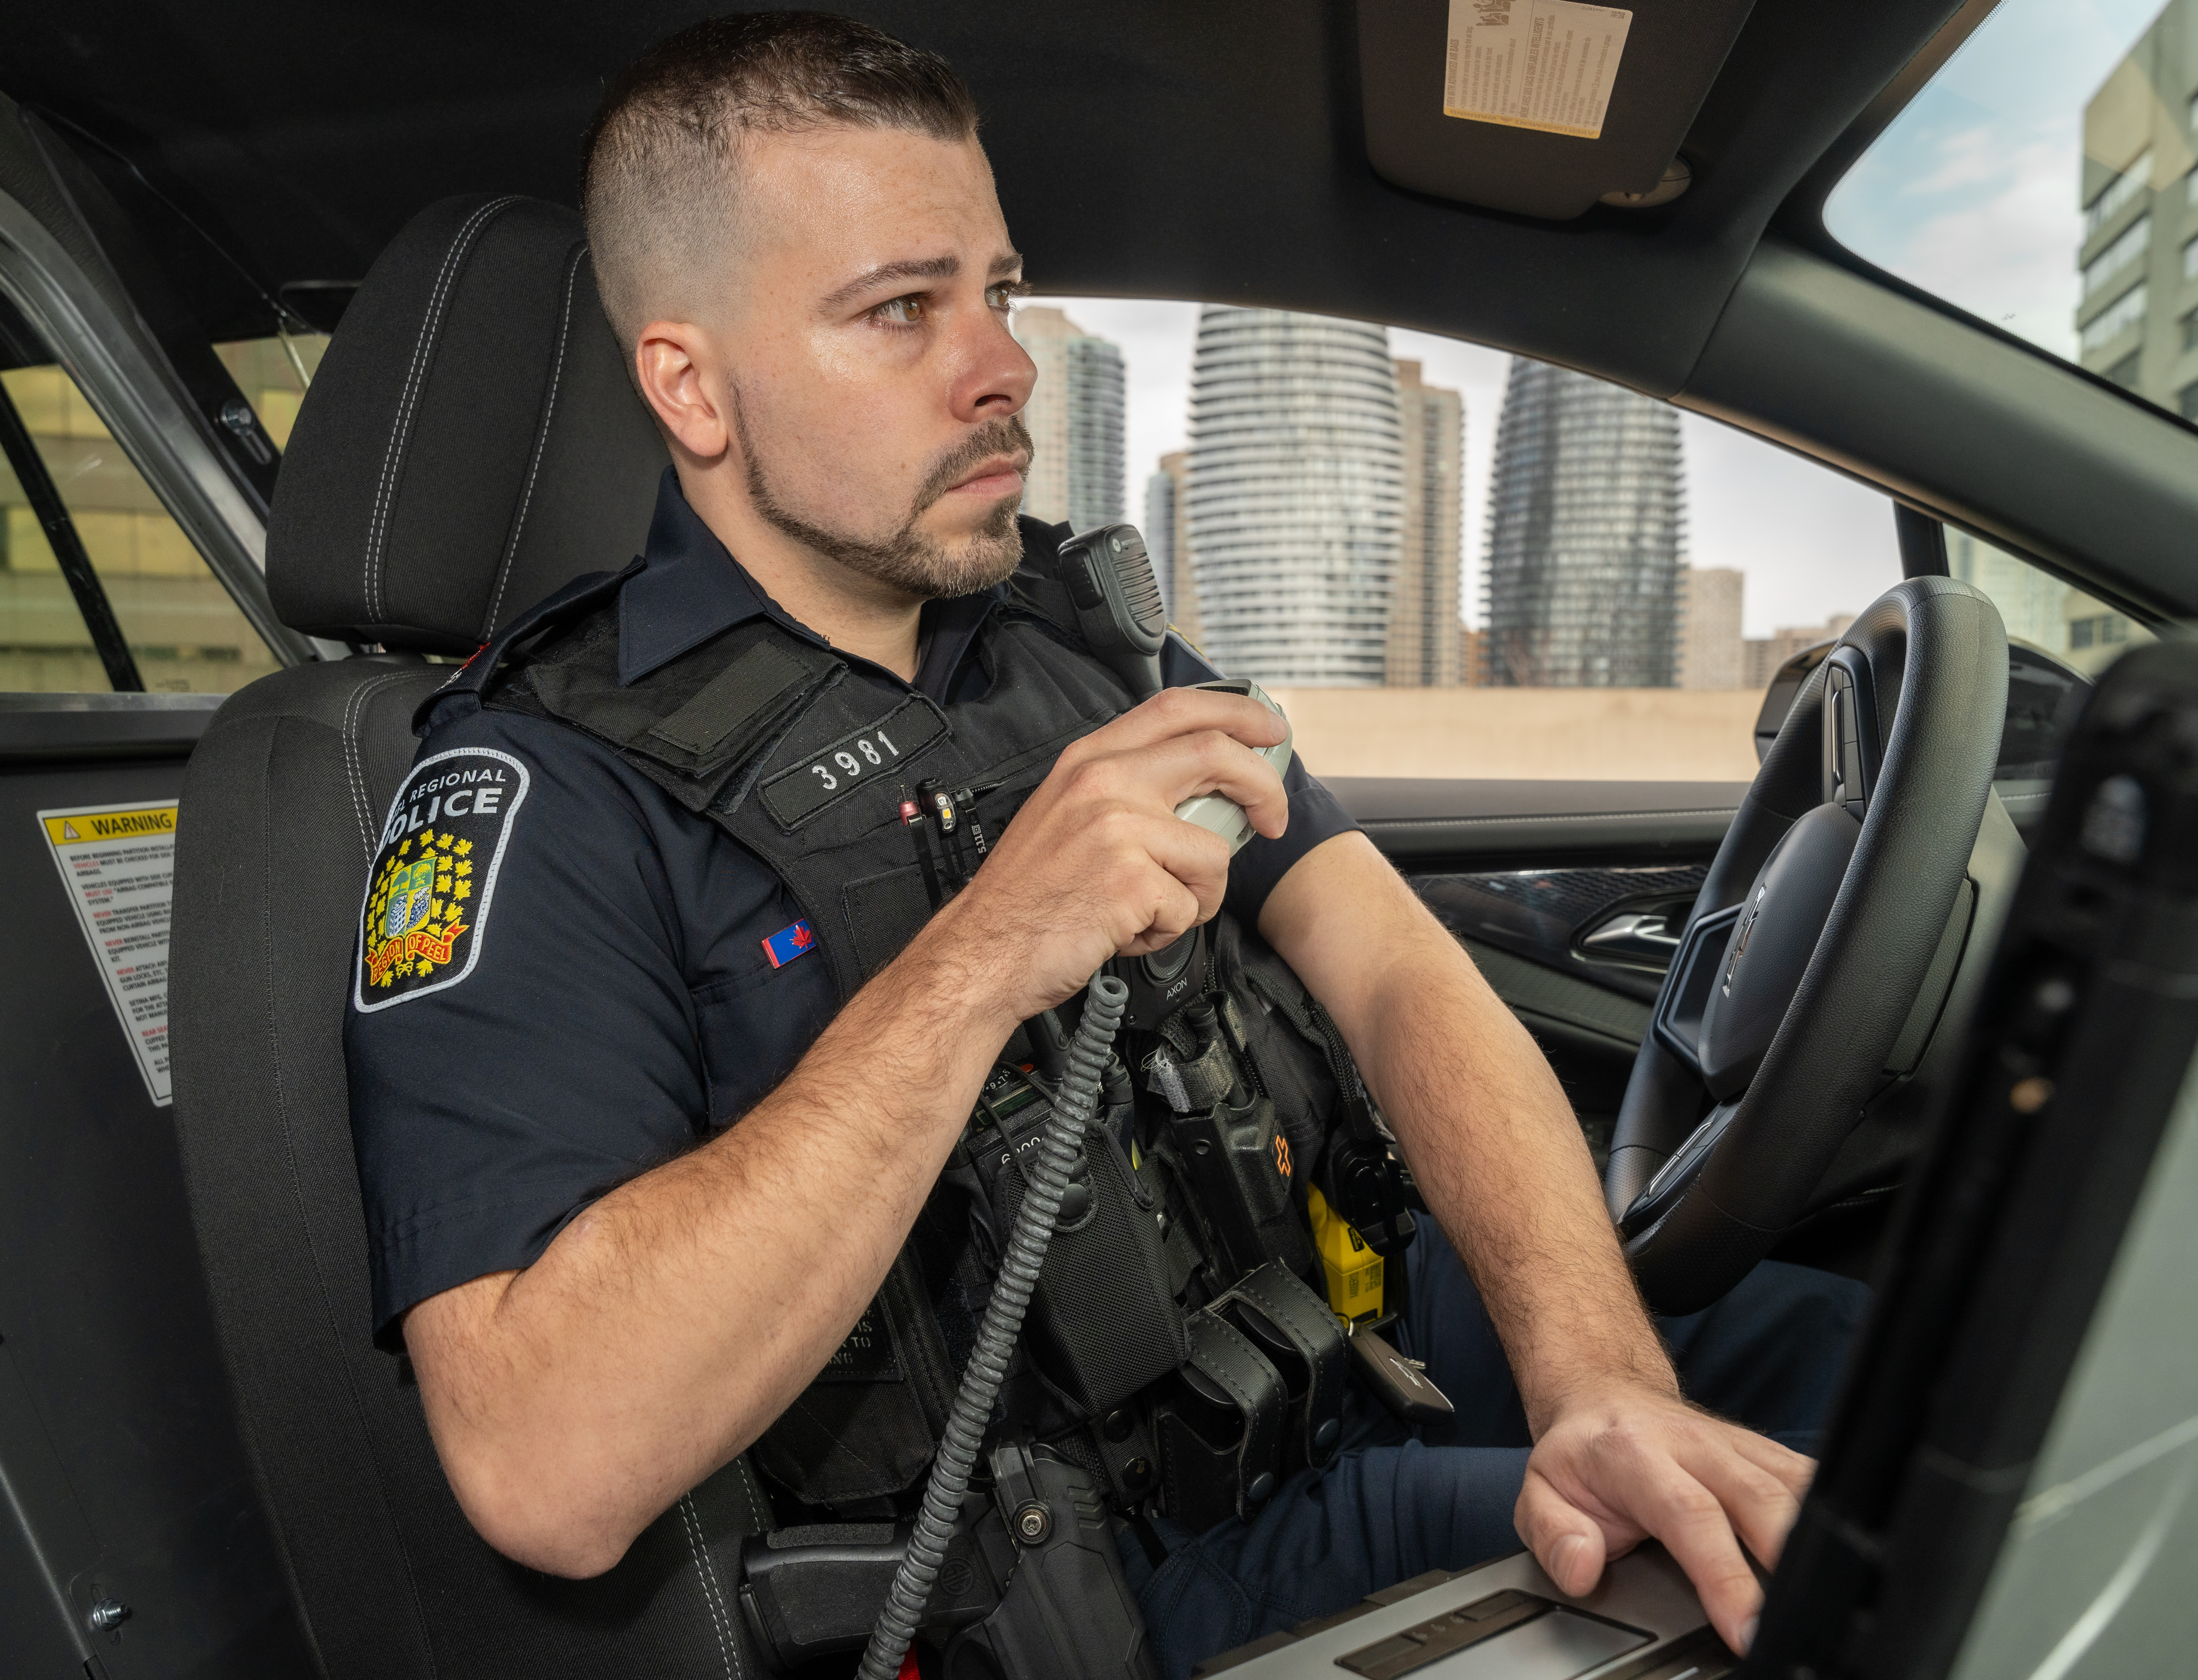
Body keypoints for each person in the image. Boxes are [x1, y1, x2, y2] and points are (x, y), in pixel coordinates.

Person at [344, 13, 1866, 1676]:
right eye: (899, 309)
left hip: (1343, 1345)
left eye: (996, 289)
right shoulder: (539, 789)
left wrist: (1598, 1378)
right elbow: (542, 1463)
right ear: (691, 386)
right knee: (1838, 1573)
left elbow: (1393, 964)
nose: (1003, 364)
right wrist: (992, 945)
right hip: (1106, 1567)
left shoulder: (1081, 630)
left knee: (1913, 1367)